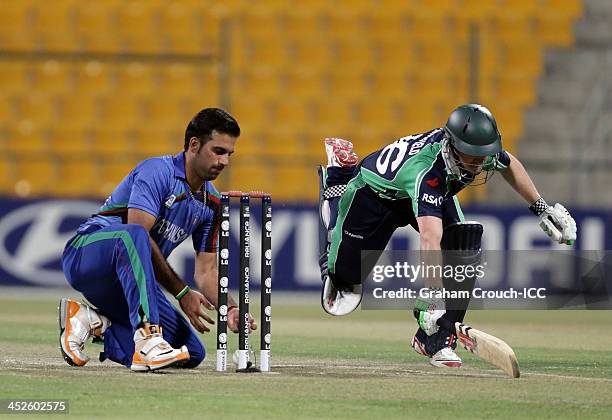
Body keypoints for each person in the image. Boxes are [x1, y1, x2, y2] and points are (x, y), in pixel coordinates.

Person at [317, 103, 576, 368]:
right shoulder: (427, 171)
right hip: (374, 196)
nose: (478, 164)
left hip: (419, 191)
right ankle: (338, 177)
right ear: (451, 145)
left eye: (482, 156)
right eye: (472, 156)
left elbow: (509, 164)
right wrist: (432, 294)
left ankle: (438, 341)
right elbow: (430, 237)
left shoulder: (478, 152)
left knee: (464, 244)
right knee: (344, 280)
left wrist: (542, 209)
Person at [59, 108, 256, 372]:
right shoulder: (157, 171)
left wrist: (230, 308)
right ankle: (148, 339)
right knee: (136, 234)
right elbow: (136, 232)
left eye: (230, 154)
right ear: (194, 145)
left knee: (191, 353)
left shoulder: (212, 204)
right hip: (87, 257)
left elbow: (207, 271)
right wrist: (182, 293)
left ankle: (93, 322)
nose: (225, 162)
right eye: (218, 151)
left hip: (129, 283)